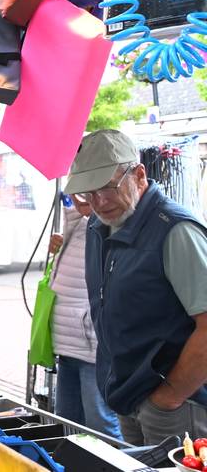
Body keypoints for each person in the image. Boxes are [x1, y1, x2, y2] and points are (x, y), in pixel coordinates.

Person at [67, 129, 207, 446]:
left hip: (175, 401)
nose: (100, 202)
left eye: (108, 188)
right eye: (89, 192)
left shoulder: (175, 230)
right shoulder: (99, 225)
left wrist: (169, 397)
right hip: (128, 394)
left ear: (139, 174)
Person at [47, 196, 122, 439]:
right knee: (67, 421)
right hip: (68, 343)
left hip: (92, 347)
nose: (78, 198)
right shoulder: (77, 224)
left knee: (100, 423)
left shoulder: (114, 227)